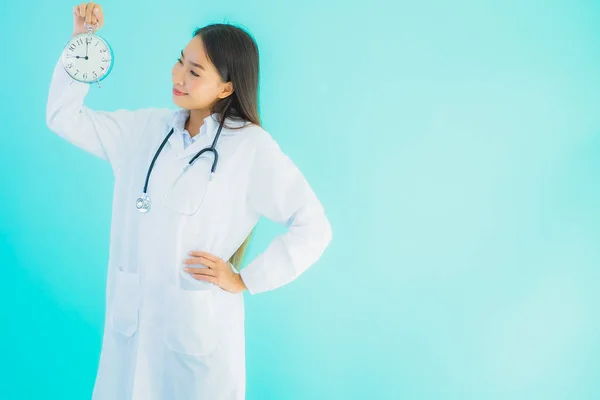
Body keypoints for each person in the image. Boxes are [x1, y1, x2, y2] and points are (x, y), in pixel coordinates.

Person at [46, 3, 332, 399]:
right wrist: (83, 41)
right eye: (180, 62)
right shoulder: (146, 129)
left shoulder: (250, 148)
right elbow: (63, 116)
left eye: (194, 72)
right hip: (133, 329)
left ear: (227, 87)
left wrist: (245, 280)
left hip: (198, 340)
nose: (177, 76)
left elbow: (313, 226)